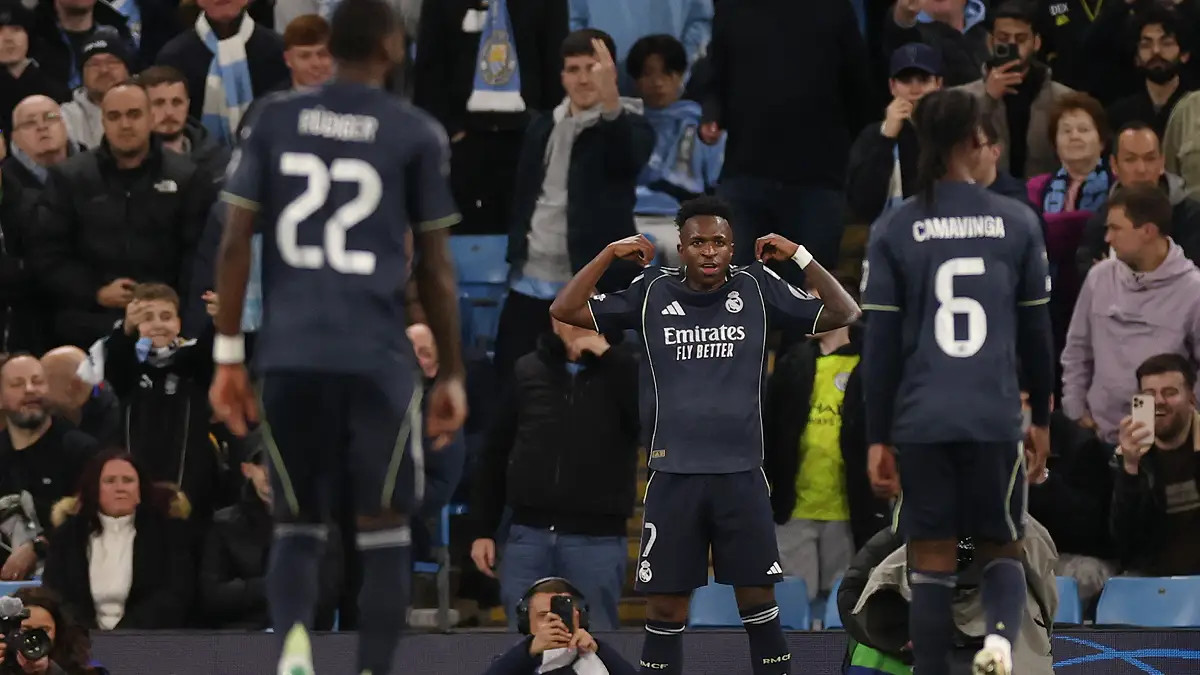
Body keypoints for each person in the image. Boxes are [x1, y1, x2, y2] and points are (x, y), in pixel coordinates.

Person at [207, 2, 468, 675]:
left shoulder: (273, 117)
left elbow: (237, 240)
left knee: (297, 523)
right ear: (391, 45)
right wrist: (453, 374)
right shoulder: (415, 130)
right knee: (383, 531)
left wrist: (229, 354)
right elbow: (436, 266)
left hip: (291, 352)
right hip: (375, 355)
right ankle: (373, 666)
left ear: (330, 44)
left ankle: (294, 646)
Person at [548, 194, 861, 675]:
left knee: (759, 608)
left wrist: (799, 256)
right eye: (698, 242)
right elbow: (565, 308)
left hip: (742, 475)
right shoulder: (652, 289)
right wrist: (609, 255)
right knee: (665, 611)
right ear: (682, 246)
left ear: (733, 246)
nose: (709, 251)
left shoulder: (757, 288)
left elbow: (844, 312)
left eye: (719, 241)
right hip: (673, 476)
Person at [860, 88, 1055, 675]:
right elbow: (1037, 338)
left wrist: (877, 436)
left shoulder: (895, 227)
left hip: (921, 419)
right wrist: (1041, 418)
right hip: (992, 415)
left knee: (931, 559)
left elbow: (882, 346)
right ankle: (998, 642)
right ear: (976, 141)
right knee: (1001, 543)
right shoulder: (1017, 221)